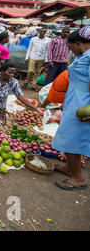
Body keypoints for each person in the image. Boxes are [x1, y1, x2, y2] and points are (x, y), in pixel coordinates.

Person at [51, 27, 90, 191]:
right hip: (74, 98)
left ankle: (78, 178)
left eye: (70, 46)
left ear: (78, 43)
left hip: (83, 102)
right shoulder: (83, 56)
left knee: (72, 138)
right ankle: (69, 167)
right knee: (68, 134)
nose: (69, 50)